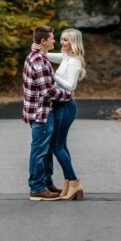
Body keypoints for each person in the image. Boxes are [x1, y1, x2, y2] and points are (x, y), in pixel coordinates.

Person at [23, 25, 71, 201]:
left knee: (46, 150)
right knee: (39, 151)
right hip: (41, 112)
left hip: (38, 111)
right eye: (52, 38)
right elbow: (48, 92)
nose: (54, 40)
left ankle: (47, 184)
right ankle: (37, 188)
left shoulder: (37, 56)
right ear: (43, 41)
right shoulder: (40, 62)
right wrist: (67, 95)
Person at [45, 27, 86, 200]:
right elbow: (46, 56)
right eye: (61, 39)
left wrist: (53, 76)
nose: (62, 43)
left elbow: (71, 86)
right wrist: (36, 48)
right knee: (62, 145)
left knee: (57, 146)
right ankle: (69, 182)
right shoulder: (66, 57)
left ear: (74, 42)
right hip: (60, 105)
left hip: (67, 106)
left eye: (66, 40)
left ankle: (75, 182)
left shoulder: (75, 60)